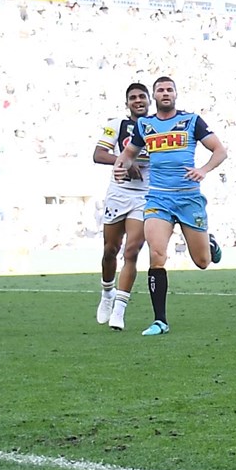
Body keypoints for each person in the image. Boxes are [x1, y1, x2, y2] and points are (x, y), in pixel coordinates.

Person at [110, 76, 227, 336]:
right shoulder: (145, 125)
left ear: (175, 94)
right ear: (155, 96)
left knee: (202, 262)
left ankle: (209, 243)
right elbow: (128, 155)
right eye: (160, 90)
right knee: (157, 254)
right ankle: (160, 320)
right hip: (158, 199)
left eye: (169, 90)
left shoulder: (191, 121)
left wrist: (203, 170)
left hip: (188, 198)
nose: (165, 93)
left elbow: (219, 150)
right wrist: (121, 168)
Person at [94, 83, 150, 328]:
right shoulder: (116, 125)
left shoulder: (159, 126)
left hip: (146, 196)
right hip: (119, 193)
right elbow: (98, 154)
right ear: (127, 103)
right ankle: (107, 293)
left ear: (149, 101)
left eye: (142, 97)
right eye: (133, 97)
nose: (138, 100)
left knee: (132, 251)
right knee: (110, 250)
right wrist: (124, 161)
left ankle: (119, 309)